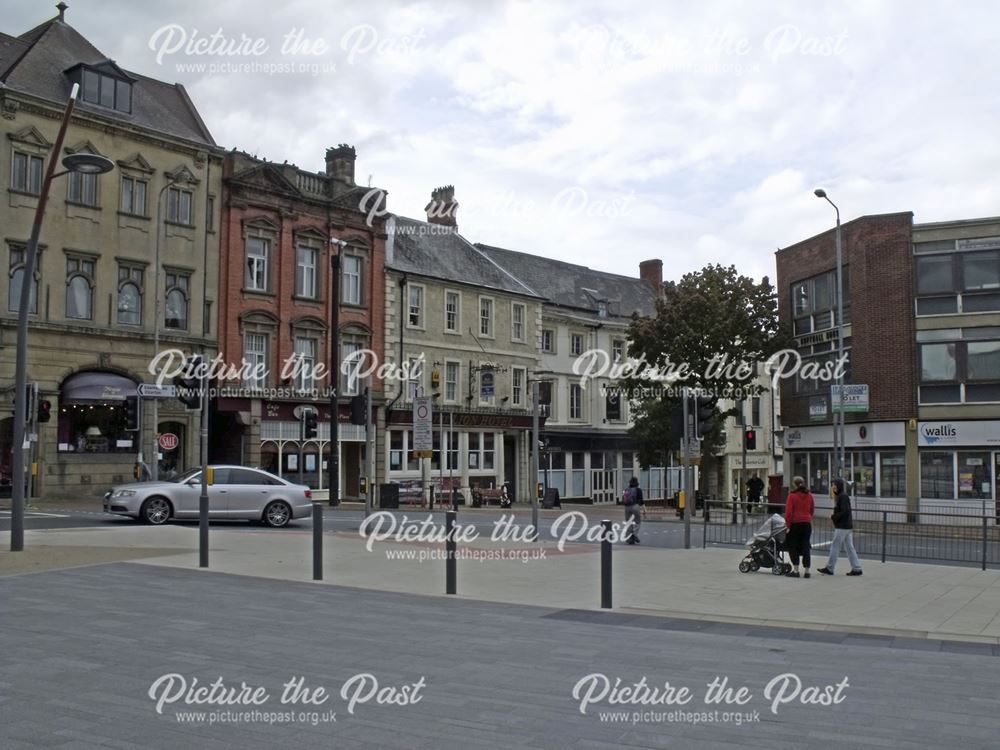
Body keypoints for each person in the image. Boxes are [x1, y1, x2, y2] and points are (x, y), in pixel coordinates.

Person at [818, 478, 863, 576]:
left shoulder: (842, 496)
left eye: (834, 485)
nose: (832, 487)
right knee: (849, 547)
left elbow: (844, 511)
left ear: (838, 486)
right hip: (846, 525)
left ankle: (830, 568)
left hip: (842, 526)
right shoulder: (841, 496)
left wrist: (833, 517)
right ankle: (856, 568)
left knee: (835, 546)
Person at [784, 476, 814, 578]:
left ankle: (796, 571)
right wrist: (808, 518)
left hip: (795, 524)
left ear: (794, 484)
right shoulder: (809, 495)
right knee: (806, 546)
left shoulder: (792, 496)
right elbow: (812, 509)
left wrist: (788, 525)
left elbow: (788, 512)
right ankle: (807, 571)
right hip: (806, 524)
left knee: (793, 546)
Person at [623, 477, 645, 544]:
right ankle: (635, 534)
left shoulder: (626, 490)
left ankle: (629, 538)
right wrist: (644, 509)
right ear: (637, 483)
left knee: (629, 522)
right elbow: (641, 501)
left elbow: (623, 499)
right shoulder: (638, 490)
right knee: (637, 521)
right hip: (635, 506)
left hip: (627, 507)